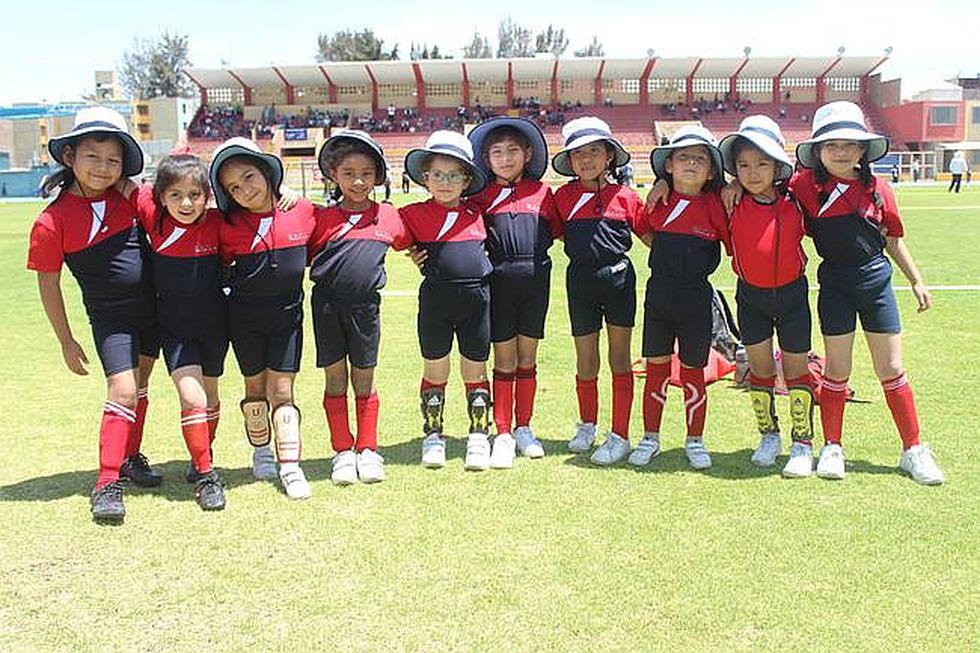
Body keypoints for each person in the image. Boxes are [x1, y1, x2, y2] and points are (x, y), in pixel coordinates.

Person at [788, 101, 943, 484]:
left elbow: (893, 240)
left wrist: (916, 280)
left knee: (890, 368)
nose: (840, 152)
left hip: (876, 284)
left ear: (862, 150)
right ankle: (833, 446)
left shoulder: (879, 189)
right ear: (818, 152)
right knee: (837, 369)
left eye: (849, 144)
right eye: (831, 145)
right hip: (835, 286)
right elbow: (757, 182)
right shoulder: (804, 186)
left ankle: (913, 449)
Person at [28, 107, 160, 523]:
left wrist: (133, 190)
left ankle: (129, 456)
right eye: (93, 157)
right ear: (70, 157)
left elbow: (171, 214)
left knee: (139, 388)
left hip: (153, 312)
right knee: (121, 390)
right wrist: (65, 340)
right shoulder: (51, 221)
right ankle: (106, 483)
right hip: (111, 319)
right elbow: (49, 284)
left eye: (113, 160)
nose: (103, 168)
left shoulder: (132, 199)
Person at [211, 137, 316, 499]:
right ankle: (261, 452)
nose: (244, 190)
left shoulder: (302, 210)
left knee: (283, 390)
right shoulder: (225, 224)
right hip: (244, 319)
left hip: (288, 318)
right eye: (233, 187)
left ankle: (290, 466)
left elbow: (331, 237)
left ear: (268, 173)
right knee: (255, 389)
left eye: (250, 176)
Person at [309, 130, 410, 485]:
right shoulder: (319, 219)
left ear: (378, 177)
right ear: (333, 175)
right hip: (326, 307)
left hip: (366, 308)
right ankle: (342, 451)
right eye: (349, 172)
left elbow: (411, 244)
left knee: (364, 378)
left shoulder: (388, 216)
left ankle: (368, 449)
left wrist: (422, 256)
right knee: (336, 378)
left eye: (367, 173)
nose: (357, 180)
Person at [717, 116, 815, 476]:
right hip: (751, 298)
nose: (752, 172)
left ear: (778, 165)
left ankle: (802, 443)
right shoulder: (728, 200)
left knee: (795, 370)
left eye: (762, 163)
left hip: (792, 297)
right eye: (743, 165)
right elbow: (687, 180)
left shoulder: (797, 197)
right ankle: (768, 435)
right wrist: (662, 182)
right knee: (759, 369)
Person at [132, 153, 227, 509]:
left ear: (207, 196)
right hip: (174, 330)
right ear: (160, 197)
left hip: (216, 327)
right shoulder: (152, 217)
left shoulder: (220, 222)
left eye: (195, 195)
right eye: (175, 195)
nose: (185, 203)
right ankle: (206, 476)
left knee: (211, 398)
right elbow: (122, 185)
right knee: (193, 398)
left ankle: (202, 456)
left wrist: (286, 194)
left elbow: (263, 209)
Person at [634, 126, 730, 470]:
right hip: (658, 296)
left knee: (693, 371)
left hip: (696, 300)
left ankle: (695, 440)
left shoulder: (718, 205)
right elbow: (643, 229)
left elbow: (735, 246)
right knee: (656, 369)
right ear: (669, 165)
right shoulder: (657, 201)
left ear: (711, 171)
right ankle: (650, 438)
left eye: (701, 158)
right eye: (684, 156)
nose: (692, 163)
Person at [467, 117, 560, 467]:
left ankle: (524, 428)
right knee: (504, 360)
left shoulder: (543, 193)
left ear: (528, 154)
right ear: (486, 159)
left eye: (512, 151)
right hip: (499, 282)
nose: (505, 159)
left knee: (527, 359)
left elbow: (561, 231)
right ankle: (502, 432)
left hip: (536, 281)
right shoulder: (480, 197)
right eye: (496, 152)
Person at [551, 117, 644, 466]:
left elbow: (651, 238)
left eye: (594, 151)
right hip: (580, 283)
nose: (586, 160)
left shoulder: (627, 197)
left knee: (619, 359)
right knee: (585, 359)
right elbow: (553, 234)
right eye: (578, 154)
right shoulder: (563, 198)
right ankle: (587, 425)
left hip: (620, 281)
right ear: (570, 161)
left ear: (609, 157)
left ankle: (619, 434)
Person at [399, 131, 493, 470]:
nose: (445, 182)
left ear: (467, 180)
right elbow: (373, 221)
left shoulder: (480, 212)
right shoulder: (410, 214)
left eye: (454, 175)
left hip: (477, 302)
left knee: (475, 369)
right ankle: (433, 435)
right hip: (436, 303)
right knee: (435, 369)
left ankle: (479, 436)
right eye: (437, 174)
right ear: (425, 178)